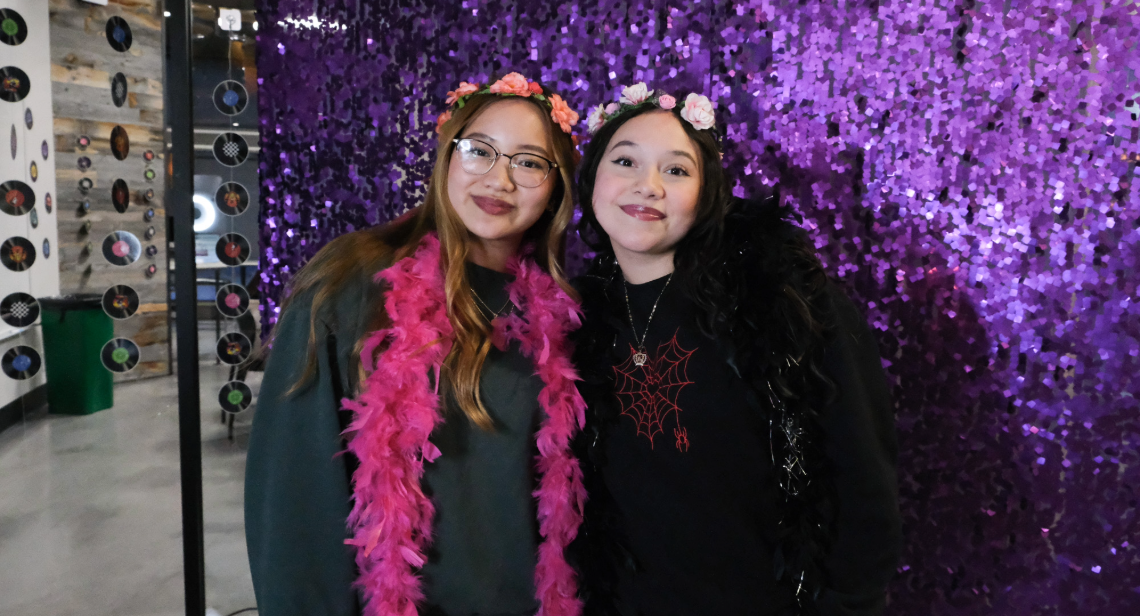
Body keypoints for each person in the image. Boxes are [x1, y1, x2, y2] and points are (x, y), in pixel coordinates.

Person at [245, 73, 588, 616]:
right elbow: (293, 502)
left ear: (555, 189)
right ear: (447, 157)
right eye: (479, 151)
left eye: (528, 162)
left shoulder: (563, 315)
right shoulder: (350, 284)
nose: (499, 179)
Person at [570, 84, 902, 616]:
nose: (647, 186)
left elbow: (861, 484)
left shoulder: (786, 299)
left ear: (707, 193)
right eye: (625, 161)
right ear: (591, 180)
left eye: (676, 170)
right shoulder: (574, 317)